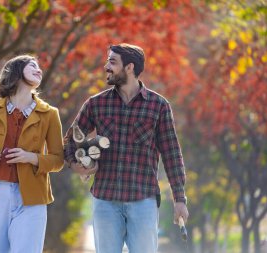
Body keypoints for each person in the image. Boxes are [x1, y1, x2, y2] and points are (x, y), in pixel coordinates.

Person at [64, 43, 189, 253]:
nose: (106, 66)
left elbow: (172, 154)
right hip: (105, 200)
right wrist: (75, 165)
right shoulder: (95, 104)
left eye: (112, 62)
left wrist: (179, 199)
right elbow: (69, 140)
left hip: (143, 201)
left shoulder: (158, 106)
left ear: (129, 67)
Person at [0, 55, 64, 253]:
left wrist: (32, 157)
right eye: (32, 66)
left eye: (39, 66)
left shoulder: (50, 114)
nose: (39, 70)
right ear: (16, 73)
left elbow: (58, 160)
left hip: (33, 199)